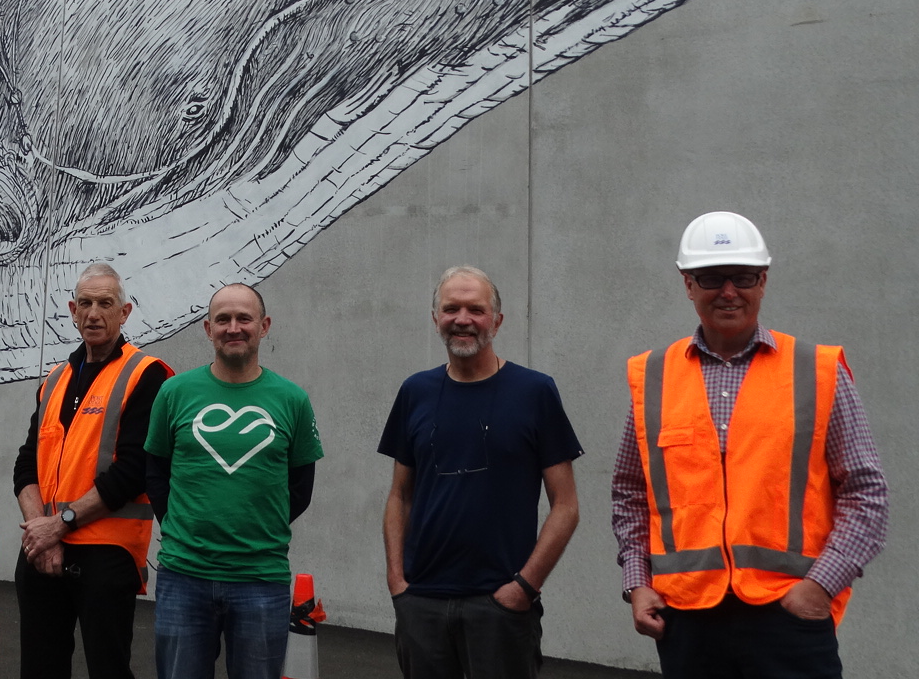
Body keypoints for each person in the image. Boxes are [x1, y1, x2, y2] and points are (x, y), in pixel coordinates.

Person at [611, 211, 889, 678]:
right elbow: (631, 494)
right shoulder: (653, 377)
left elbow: (866, 493)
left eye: (742, 277)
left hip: (790, 616)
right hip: (687, 622)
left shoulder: (818, 372)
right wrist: (638, 583)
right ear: (688, 284)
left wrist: (821, 586)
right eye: (711, 277)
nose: (728, 291)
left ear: (763, 281)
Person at [380, 266, 583, 679]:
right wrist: (398, 584)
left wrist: (523, 588)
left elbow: (566, 506)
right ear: (435, 317)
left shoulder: (534, 392)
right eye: (451, 308)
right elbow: (399, 496)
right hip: (423, 603)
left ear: (497, 320)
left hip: (500, 606)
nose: (463, 319)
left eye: (476, 309)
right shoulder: (414, 391)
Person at [145, 283, 323, 679]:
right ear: (208, 329)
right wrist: (181, 524)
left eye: (244, 318)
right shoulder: (174, 393)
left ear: (264, 326)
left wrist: (255, 525)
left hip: (261, 579)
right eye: (222, 319)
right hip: (183, 575)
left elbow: (300, 487)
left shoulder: (292, 399)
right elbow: (155, 472)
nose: (233, 327)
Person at [14, 263, 174, 679]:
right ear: (72, 309)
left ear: (125, 312)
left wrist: (59, 525)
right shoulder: (55, 379)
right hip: (43, 551)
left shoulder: (146, 374)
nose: (94, 313)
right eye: (85, 303)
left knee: (108, 669)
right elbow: (25, 464)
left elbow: (133, 470)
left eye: (106, 303)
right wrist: (40, 531)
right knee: (39, 669)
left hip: (106, 553)